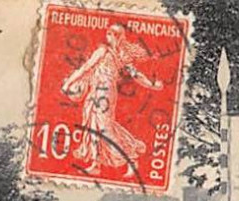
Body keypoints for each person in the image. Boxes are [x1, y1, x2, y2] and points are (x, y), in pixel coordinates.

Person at [61, 24, 163, 178]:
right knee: (94, 125)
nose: (108, 36)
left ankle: (132, 159)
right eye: (108, 33)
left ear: (116, 36)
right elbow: (136, 75)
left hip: (104, 93)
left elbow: (86, 68)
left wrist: (68, 83)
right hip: (98, 91)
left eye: (110, 34)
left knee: (104, 127)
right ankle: (96, 163)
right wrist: (152, 85)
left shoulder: (111, 53)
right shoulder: (115, 54)